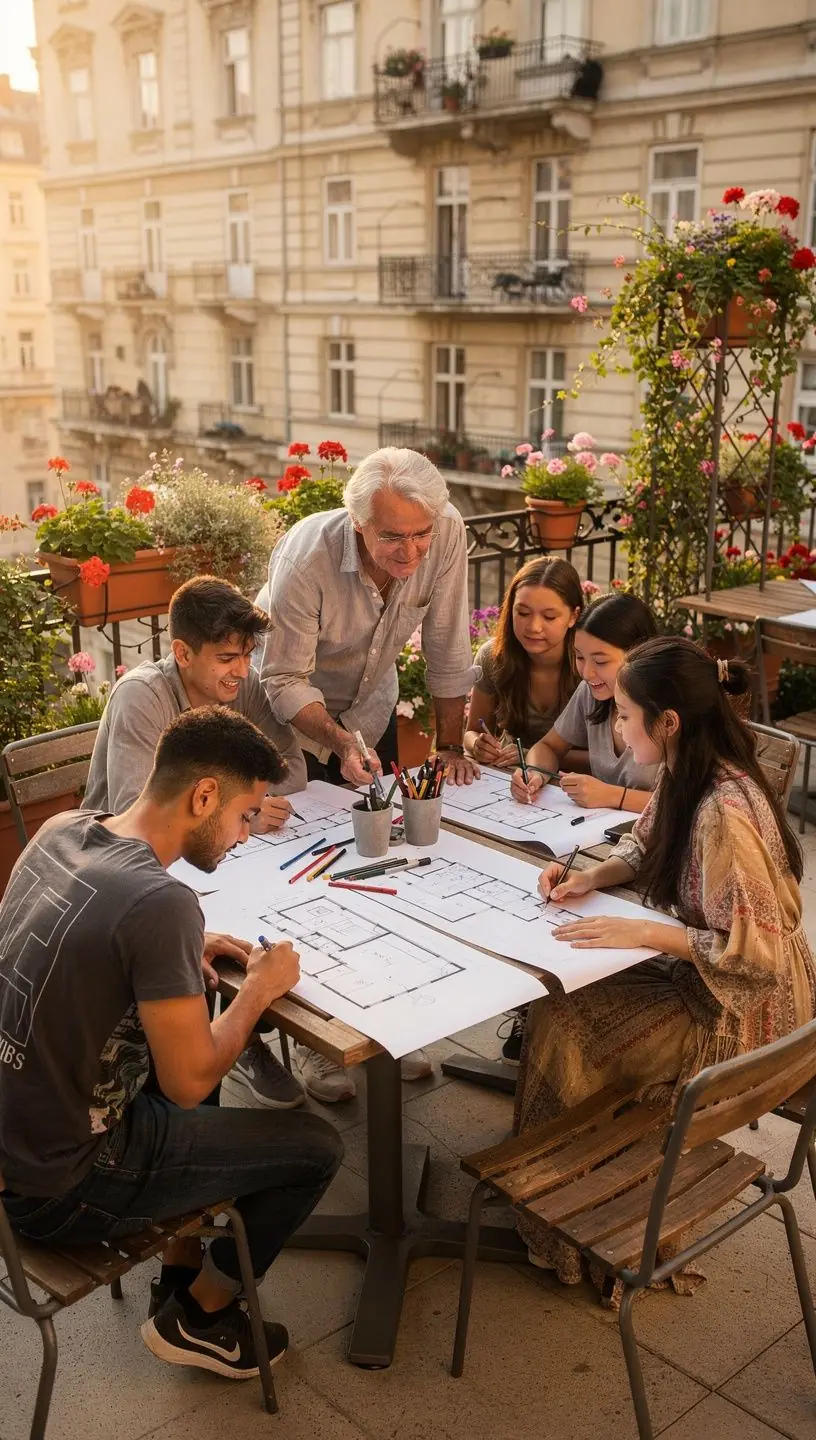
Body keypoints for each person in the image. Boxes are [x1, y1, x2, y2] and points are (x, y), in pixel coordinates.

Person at [0, 707, 344, 1380]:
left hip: (15, 1138)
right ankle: (201, 1315)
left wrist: (182, 950)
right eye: (247, 815)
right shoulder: (161, 904)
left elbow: (83, 946)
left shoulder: (62, 831)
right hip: (58, 1184)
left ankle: (179, 1270)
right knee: (317, 1147)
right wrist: (259, 990)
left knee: (193, 1014)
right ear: (205, 795)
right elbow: (187, 1084)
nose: (246, 835)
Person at [514, 637, 816, 1286]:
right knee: (565, 1006)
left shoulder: (722, 813)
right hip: (719, 984)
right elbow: (647, 844)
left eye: (625, 714)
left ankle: (577, 1229)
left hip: (750, 1017)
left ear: (668, 721)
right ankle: (583, 1204)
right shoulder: (689, 769)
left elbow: (755, 957)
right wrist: (595, 878)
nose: (617, 728)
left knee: (567, 1028)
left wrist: (647, 935)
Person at [259, 446, 481, 1102]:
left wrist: (447, 745)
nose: (411, 553)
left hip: (371, 706)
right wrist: (333, 739)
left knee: (379, 871)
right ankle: (316, 1047)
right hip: (288, 721)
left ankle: (385, 1028)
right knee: (305, 879)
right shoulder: (308, 555)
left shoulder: (445, 532)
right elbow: (280, 676)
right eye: (393, 538)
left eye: (421, 535)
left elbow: (447, 647)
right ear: (359, 524)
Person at [83, 576, 308, 1111]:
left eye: (247, 656)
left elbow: (292, 766)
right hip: (130, 863)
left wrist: (255, 800)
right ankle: (240, 1040)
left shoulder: (242, 688)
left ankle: (243, 1032)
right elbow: (135, 809)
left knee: (287, 908)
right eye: (228, 657)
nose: (241, 670)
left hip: (219, 845)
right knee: (214, 923)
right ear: (182, 653)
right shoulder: (143, 695)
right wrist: (234, 810)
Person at [510, 592, 659, 815]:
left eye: (600, 661)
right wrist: (534, 773)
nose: (587, 673)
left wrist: (611, 795)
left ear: (639, 654)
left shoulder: (670, 709)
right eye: (579, 657)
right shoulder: (592, 693)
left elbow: (688, 804)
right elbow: (549, 746)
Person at [464, 557, 584, 768]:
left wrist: (532, 756)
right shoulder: (493, 657)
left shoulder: (591, 665)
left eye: (549, 617)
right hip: (511, 781)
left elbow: (611, 760)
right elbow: (472, 731)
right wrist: (477, 745)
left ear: (573, 616)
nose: (534, 626)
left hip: (578, 788)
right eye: (523, 613)